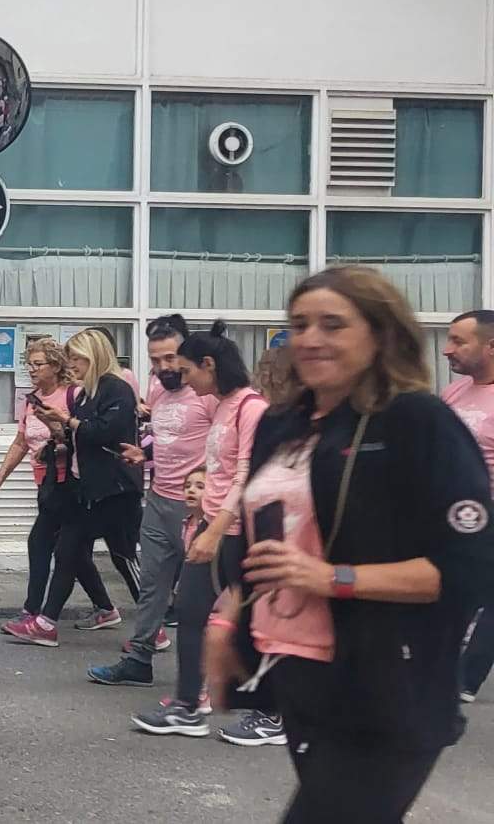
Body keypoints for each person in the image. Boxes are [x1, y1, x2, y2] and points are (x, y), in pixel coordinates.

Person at [204, 266, 494, 822]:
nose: (310, 338)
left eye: (333, 324)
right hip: (304, 675)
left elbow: (471, 568)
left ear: (380, 333)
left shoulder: (417, 420)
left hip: (390, 684)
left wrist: (332, 577)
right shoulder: (283, 423)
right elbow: (268, 540)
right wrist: (229, 619)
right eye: (300, 324)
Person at [131, 321, 265, 739]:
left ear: (209, 364)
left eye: (188, 371)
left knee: (258, 620)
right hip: (212, 523)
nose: (182, 379)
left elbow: (246, 476)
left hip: (240, 530)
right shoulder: (223, 405)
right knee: (190, 610)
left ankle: (272, 712)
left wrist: (214, 529)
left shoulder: (251, 408)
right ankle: (188, 706)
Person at [91, 315, 216, 685]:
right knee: (151, 586)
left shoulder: (207, 393)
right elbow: (165, 437)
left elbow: (227, 445)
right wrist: (145, 454)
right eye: (156, 359)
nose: (163, 367)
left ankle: (210, 678)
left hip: (197, 508)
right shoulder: (158, 390)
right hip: (159, 499)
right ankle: (139, 659)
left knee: (204, 596)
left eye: (170, 358)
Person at [5, 328, 144, 648]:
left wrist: (66, 422)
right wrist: (57, 435)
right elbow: (78, 436)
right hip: (89, 489)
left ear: (93, 357)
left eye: (77, 358)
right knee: (67, 549)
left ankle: (151, 626)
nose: (73, 364)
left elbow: (106, 433)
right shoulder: (87, 393)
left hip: (116, 489)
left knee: (123, 557)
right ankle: (45, 623)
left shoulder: (117, 390)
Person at [0, 336, 114, 634]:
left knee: (41, 543)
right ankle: (106, 608)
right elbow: (20, 443)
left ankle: (32, 611)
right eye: (28, 364)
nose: (31, 370)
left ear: (55, 366)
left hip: (69, 484)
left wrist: (59, 435)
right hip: (46, 485)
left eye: (37, 364)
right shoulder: (30, 401)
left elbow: (84, 437)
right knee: (73, 553)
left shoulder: (73, 396)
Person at [442, 310, 494, 700]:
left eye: (459, 341)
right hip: (451, 518)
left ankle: (463, 681)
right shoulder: (454, 392)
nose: (447, 350)